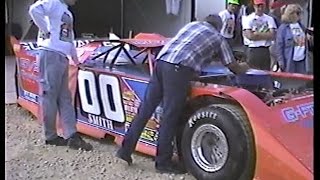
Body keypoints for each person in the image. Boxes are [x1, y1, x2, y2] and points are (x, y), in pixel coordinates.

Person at [116, 14, 250, 174]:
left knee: (145, 109)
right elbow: (232, 66)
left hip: (161, 63)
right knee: (170, 115)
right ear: (218, 27)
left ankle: (125, 150)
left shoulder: (191, 26)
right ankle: (163, 162)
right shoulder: (217, 37)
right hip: (177, 69)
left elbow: (187, 48)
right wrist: (246, 67)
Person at [29, 0, 92, 151]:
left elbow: (69, 39)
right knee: (49, 94)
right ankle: (50, 136)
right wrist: (45, 30)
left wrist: (76, 60)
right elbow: (34, 9)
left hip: (61, 56)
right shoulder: (53, 2)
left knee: (64, 96)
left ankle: (71, 135)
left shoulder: (66, 11)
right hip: (50, 53)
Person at [242, 0, 277, 70]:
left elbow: (272, 35)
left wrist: (256, 34)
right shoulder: (248, 19)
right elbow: (250, 36)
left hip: (265, 49)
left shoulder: (269, 19)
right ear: (254, 6)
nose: (260, 8)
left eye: (262, 6)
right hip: (253, 49)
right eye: (258, 6)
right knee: (252, 72)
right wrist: (265, 35)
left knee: (265, 72)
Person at [275, 4, 310, 74]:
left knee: (301, 81)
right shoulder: (283, 28)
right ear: (290, 14)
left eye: (299, 13)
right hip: (289, 60)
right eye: (297, 13)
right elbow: (279, 46)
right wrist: (280, 61)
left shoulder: (301, 26)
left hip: (302, 59)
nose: (299, 15)